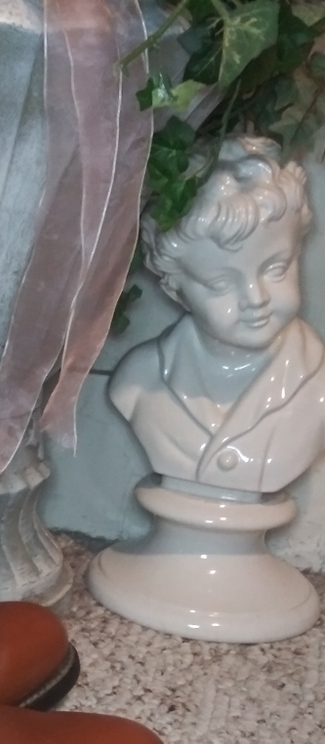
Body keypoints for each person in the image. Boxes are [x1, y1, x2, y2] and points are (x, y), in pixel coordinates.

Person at [109, 136, 325, 495]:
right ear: (174, 287)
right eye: (220, 284)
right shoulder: (139, 382)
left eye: (276, 269)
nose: (255, 299)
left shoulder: (317, 388)